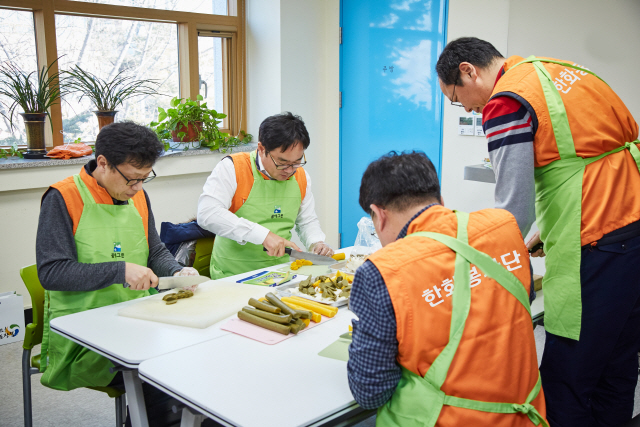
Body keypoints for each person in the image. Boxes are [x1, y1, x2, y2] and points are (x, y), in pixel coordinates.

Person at [436, 37, 640, 426]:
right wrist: (545, 234)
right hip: (632, 229)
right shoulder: (559, 71)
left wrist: (478, 264)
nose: (464, 108)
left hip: (595, 243)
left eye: (455, 97)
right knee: (617, 365)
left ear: (468, 70)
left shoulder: (506, 102)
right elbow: (587, 158)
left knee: (568, 379)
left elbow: (514, 209)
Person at [347, 151, 546, 427]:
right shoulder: (505, 227)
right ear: (440, 202)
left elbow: (370, 393)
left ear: (379, 216)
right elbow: (521, 300)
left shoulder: (383, 271)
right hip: (527, 415)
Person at [36, 121, 201, 426]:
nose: (138, 188)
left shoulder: (137, 195)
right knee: (162, 377)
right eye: (132, 179)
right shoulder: (62, 198)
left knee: (195, 359)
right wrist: (120, 270)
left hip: (138, 318)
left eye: (144, 178)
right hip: (84, 331)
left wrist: (178, 271)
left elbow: (155, 252)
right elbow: (52, 272)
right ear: (103, 163)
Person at [197, 112, 333, 279]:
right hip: (233, 274)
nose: (290, 170)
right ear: (261, 149)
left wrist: (316, 242)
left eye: (297, 162)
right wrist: (263, 236)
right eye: (282, 163)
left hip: (281, 273)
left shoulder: (301, 176)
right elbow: (207, 214)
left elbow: (307, 221)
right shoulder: (232, 168)